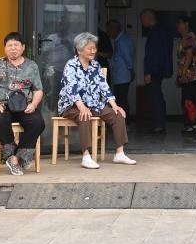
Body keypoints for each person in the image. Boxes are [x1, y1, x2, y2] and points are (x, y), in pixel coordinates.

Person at [58, 32, 137, 169]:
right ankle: (86, 156)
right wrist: (82, 107)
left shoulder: (95, 65)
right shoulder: (71, 65)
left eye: (94, 48)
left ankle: (119, 153)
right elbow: (72, 90)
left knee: (118, 114)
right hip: (71, 106)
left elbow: (104, 87)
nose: (93, 51)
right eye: (90, 48)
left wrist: (114, 105)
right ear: (79, 50)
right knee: (84, 115)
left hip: (93, 104)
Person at [0, 31, 46, 176]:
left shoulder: (31, 66)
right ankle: (11, 156)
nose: (13, 48)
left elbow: (38, 90)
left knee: (38, 122)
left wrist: (34, 105)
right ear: (5, 48)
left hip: (25, 106)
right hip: (1, 105)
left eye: (16, 45)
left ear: (23, 47)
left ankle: (18, 157)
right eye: (9, 45)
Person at [140, 9, 174, 133]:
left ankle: (159, 125)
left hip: (155, 70)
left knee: (155, 97)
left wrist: (149, 71)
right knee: (156, 96)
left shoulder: (156, 32)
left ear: (149, 18)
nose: (142, 22)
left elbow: (155, 54)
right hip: (158, 69)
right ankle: (158, 124)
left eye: (142, 19)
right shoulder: (161, 30)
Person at [175, 16, 196, 133]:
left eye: (180, 23)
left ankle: (192, 125)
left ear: (186, 24)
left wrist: (183, 73)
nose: (177, 26)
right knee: (188, 100)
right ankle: (191, 124)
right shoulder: (184, 38)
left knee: (189, 101)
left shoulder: (189, 37)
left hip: (192, 75)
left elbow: (189, 55)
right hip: (188, 75)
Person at [107, 19, 135, 119]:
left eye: (109, 29)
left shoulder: (123, 41)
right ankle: (122, 122)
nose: (108, 32)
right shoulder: (119, 40)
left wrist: (131, 70)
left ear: (115, 29)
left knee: (121, 100)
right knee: (120, 99)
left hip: (123, 76)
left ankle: (125, 122)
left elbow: (128, 57)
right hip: (119, 76)